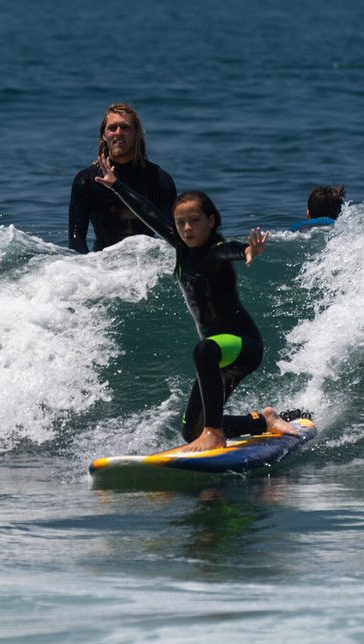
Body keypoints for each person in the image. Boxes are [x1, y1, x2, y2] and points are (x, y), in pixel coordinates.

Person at [94, 153, 298, 452]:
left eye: (194, 221)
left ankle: (215, 433)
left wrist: (248, 251)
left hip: (243, 346)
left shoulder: (216, 249)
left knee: (204, 351)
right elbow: (149, 213)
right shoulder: (180, 245)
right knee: (190, 431)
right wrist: (116, 186)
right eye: (180, 223)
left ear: (211, 221)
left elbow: (231, 250)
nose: (186, 228)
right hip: (216, 357)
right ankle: (263, 421)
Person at [68, 103, 177, 253]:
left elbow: (173, 237)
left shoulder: (159, 179)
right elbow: (76, 238)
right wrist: (89, 269)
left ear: (137, 133)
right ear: (104, 135)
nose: (118, 132)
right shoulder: (86, 180)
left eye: (125, 127)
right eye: (112, 128)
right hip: (102, 263)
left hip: (146, 265)